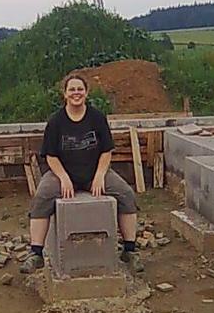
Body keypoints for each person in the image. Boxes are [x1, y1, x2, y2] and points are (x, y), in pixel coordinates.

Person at [20, 72, 143, 273]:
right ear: (65, 94)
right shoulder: (56, 122)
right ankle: (36, 254)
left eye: (80, 89)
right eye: (72, 89)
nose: (76, 93)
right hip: (62, 173)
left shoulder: (97, 118)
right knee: (42, 197)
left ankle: (129, 250)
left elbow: (106, 151)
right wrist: (63, 178)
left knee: (126, 194)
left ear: (86, 92)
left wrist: (100, 175)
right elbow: (51, 156)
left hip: (94, 171)